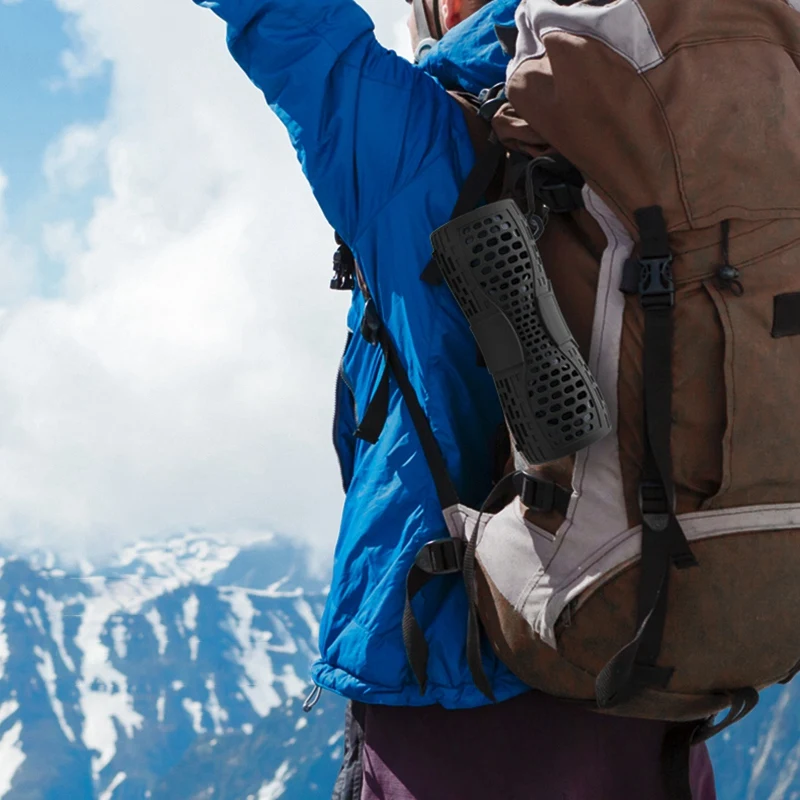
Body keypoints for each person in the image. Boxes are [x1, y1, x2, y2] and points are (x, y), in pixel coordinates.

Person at [191, 0, 718, 797]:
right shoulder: (684, 121)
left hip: (458, 668)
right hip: (655, 661)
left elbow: (288, 20)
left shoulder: (410, 134)